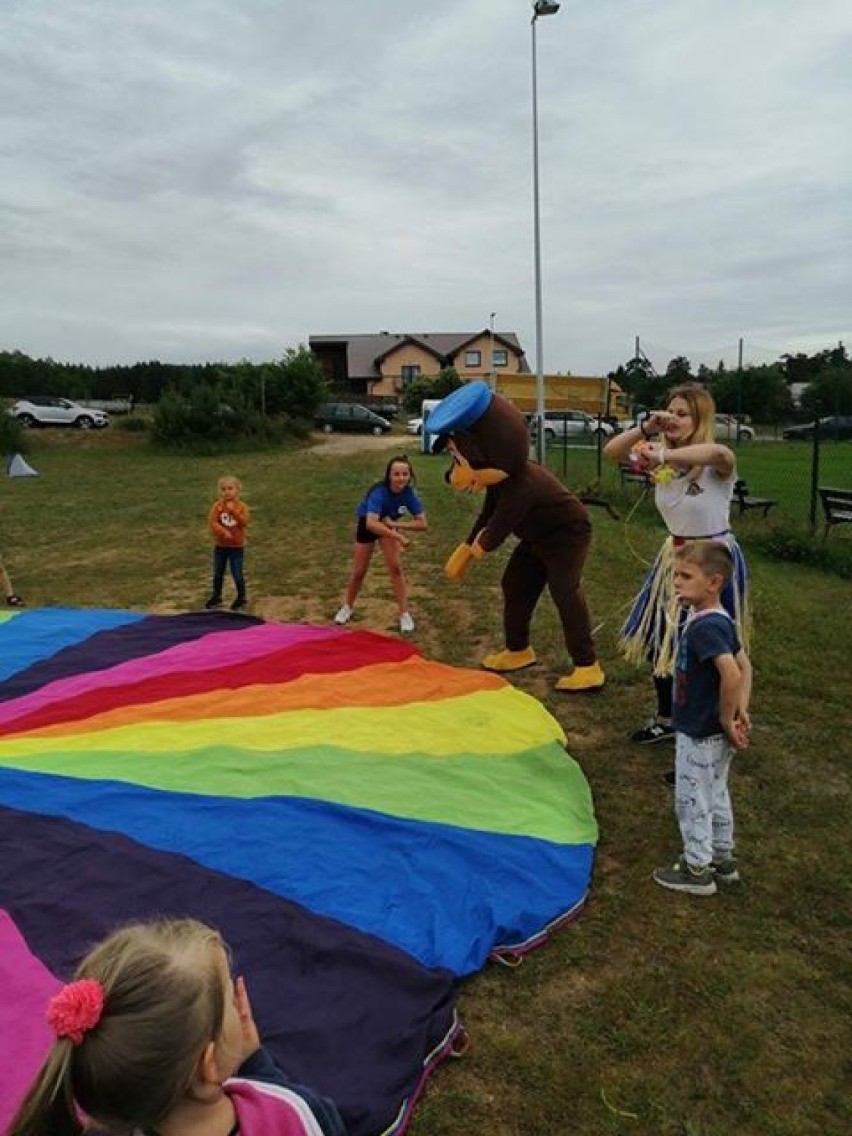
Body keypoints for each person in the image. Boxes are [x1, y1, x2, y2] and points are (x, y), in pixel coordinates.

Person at [8, 916, 346, 1136]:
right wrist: (258, 1066)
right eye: (229, 998)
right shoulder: (297, 1115)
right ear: (208, 1064)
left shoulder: (107, 1126)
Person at [603, 383, 749, 742]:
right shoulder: (659, 455)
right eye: (670, 411)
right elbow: (611, 451)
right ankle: (668, 719)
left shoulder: (715, 465)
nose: (673, 419)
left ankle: (712, 729)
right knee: (661, 638)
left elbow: (719, 452)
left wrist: (664, 457)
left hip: (712, 561)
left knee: (711, 647)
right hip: (676, 558)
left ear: (700, 419)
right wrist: (647, 428)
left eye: (683, 414)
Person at [653, 541, 752, 896]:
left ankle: (697, 870)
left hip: (701, 732)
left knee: (692, 797)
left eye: (685, 576)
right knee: (716, 792)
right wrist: (741, 712)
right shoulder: (720, 619)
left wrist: (728, 718)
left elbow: (731, 673)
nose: (676, 582)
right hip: (715, 734)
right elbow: (745, 665)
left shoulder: (703, 628)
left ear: (714, 582)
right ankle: (723, 859)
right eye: (676, 575)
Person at [334, 454, 427, 634]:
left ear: (410, 476)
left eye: (405, 474)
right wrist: (397, 536)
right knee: (359, 572)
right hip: (368, 524)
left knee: (395, 568)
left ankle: (404, 614)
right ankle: (347, 607)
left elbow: (423, 523)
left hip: (387, 524)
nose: (401, 478)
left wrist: (395, 525)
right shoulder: (379, 492)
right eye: (396, 474)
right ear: (389, 476)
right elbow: (371, 523)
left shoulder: (409, 494)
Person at [206, 474, 250, 611]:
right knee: (218, 572)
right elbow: (212, 522)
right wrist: (222, 531)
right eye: (223, 489)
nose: (227, 492)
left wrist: (234, 512)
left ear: (237, 490)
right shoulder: (217, 506)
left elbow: (244, 522)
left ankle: (241, 598)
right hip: (220, 546)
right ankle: (216, 596)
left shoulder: (242, 506)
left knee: (237, 573)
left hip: (236, 547)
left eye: (230, 488)